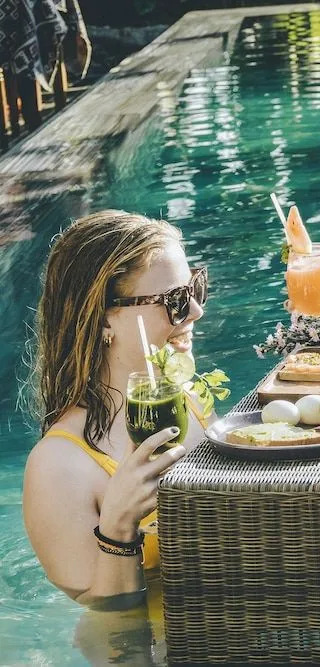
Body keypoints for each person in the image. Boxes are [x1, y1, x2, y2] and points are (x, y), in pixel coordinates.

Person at [23, 210, 208, 608]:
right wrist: (119, 526)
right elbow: (109, 620)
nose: (196, 311)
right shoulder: (58, 466)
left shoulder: (185, 398)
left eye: (195, 288)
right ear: (104, 319)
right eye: (175, 300)